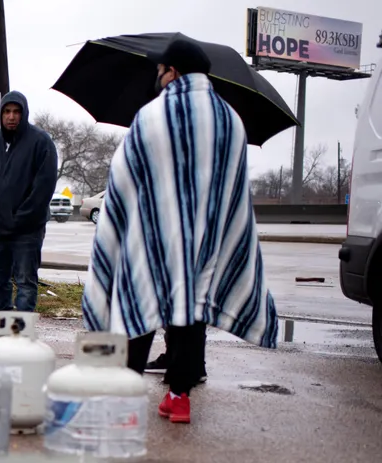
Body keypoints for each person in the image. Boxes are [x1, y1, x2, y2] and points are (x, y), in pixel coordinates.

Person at [82, 38, 278, 425]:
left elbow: (123, 179)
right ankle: (179, 396)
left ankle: (124, 395)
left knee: (140, 303)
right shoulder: (231, 120)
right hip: (206, 241)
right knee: (190, 308)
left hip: (154, 235)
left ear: (172, 72)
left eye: (160, 71)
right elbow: (234, 190)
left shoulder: (153, 115)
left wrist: (119, 226)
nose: (158, 77)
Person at [0, 91, 58, 312]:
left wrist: (20, 219)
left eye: (16, 112)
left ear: (24, 113)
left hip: (26, 231)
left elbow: (43, 189)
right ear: (1, 114)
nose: (11, 116)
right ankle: (1, 332)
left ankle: (21, 337)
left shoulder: (41, 142)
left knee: (26, 282)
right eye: (7, 111)